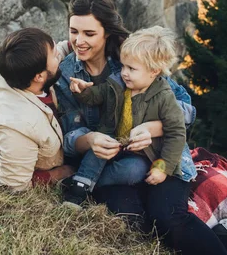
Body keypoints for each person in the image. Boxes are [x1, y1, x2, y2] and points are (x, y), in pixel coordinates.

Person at [54, 0, 227, 255]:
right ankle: (218, 235)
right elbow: (69, 134)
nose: (79, 41)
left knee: (168, 217)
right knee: (133, 219)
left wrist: (154, 127)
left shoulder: (131, 58)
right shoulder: (67, 72)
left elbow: (186, 108)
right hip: (110, 162)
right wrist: (89, 140)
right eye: (73, 31)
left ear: (107, 33)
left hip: (161, 154)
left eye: (89, 34)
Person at [63, 26, 191, 209]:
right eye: (123, 66)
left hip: (140, 153)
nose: (124, 72)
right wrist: (84, 91)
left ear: (154, 71)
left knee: (134, 171)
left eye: (131, 68)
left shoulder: (164, 97)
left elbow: (176, 133)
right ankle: (77, 189)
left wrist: (162, 168)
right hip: (113, 140)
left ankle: (94, 184)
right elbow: (98, 95)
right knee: (97, 150)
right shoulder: (118, 82)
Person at [0, 27, 74, 191]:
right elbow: (14, 184)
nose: (58, 55)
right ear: (39, 76)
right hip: (55, 159)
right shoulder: (17, 126)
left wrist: (76, 42)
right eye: (54, 56)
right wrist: (58, 174)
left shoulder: (22, 71)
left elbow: (58, 51)